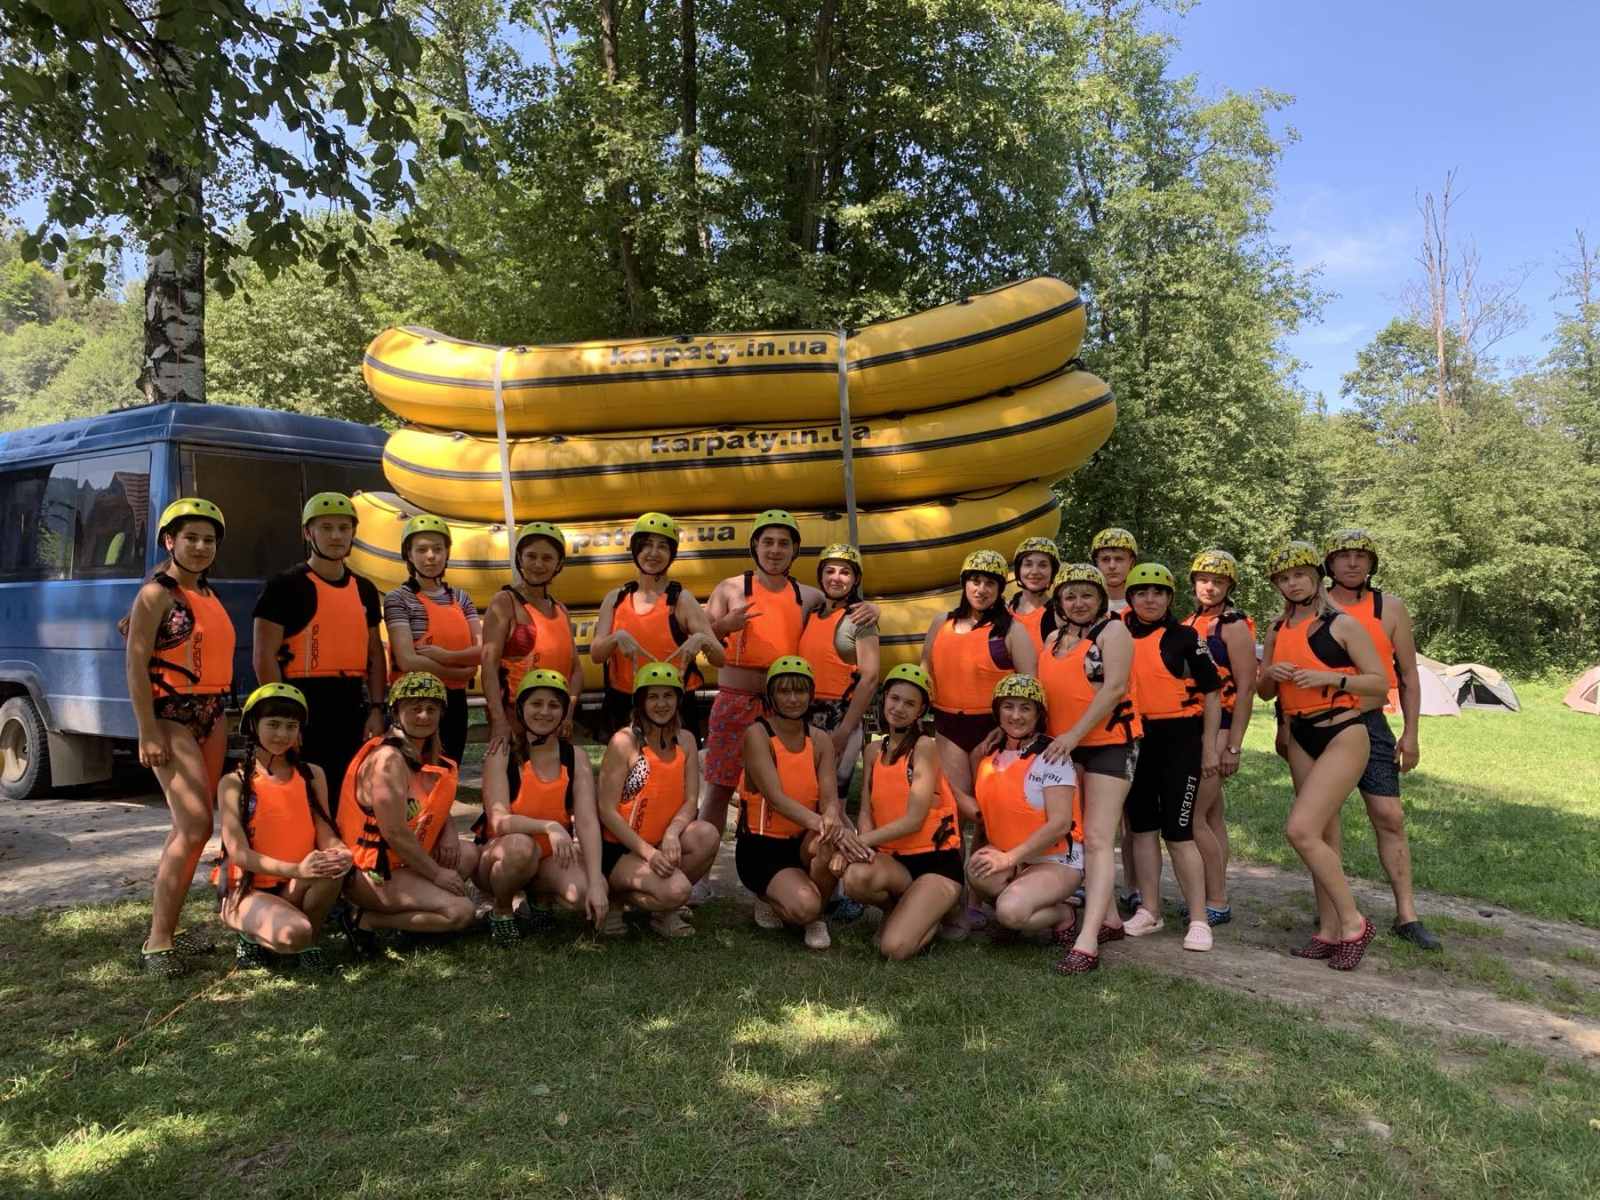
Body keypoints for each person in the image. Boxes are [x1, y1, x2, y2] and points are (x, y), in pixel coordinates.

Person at [701, 511, 876, 841]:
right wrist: (723, 626)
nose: (775, 550)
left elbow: (842, 606)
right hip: (735, 702)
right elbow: (701, 643)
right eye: (767, 542)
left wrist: (873, 609)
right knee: (720, 788)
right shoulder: (730, 588)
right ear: (755, 546)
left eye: (784, 543)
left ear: (794, 550)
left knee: (789, 787)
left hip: (784, 707)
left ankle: (784, 856)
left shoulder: (808, 596)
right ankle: (702, 860)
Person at [1257, 541, 1389, 971]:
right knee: (1323, 836)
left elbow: (1379, 683)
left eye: (1299, 574)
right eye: (1283, 578)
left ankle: (1354, 924)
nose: (1292, 583)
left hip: (1343, 731)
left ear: (1316, 576)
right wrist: (1269, 674)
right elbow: (1264, 692)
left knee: (1301, 829)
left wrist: (1329, 678)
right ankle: (1329, 931)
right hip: (1300, 735)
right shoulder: (1277, 629)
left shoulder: (1343, 624)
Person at [124, 498, 235, 976]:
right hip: (171, 713)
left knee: (191, 829)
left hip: (213, 712)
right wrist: (147, 730)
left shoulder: (208, 593)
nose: (200, 546)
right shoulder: (155, 595)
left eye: (208, 540)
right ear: (170, 541)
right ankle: (157, 943)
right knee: (194, 827)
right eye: (191, 538)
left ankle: (170, 929)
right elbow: (134, 663)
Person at [1323, 529, 1440, 951]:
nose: (1352, 563)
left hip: (1371, 721)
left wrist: (1411, 733)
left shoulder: (1390, 608)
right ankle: (1332, 912)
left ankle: (1407, 915)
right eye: (1343, 556)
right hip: (1323, 722)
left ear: (1372, 564)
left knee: (1389, 815)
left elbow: (1408, 674)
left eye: (1361, 556)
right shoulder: (1313, 604)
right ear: (1329, 564)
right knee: (1324, 820)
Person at [1035, 563, 1140, 975]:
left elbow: (1114, 689)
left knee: (1097, 839)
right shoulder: (1052, 639)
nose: (1078, 603)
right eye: (1070, 596)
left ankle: (1088, 940)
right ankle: (1109, 918)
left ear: (1100, 598)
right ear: (1059, 601)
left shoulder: (1113, 632)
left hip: (1108, 745)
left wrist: (1074, 735)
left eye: (1087, 595)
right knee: (1077, 835)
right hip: (1064, 747)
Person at [253, 492, 387, 814]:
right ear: (307, 532)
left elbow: (374, 655)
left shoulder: (365, 589)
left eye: (344, 528)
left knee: (346, 794)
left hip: (350, 701)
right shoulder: (284, 586)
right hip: (303, 700)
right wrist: (285, 718)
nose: (336, 536)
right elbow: (263, 657)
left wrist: (377, 707)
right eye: (326, 528)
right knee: (306, 793)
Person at [1119, 562, 1223, 951]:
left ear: (1169, 598)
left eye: (1159, 592)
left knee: (1179, 833)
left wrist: (1210, 747)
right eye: (1142, 592)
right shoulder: (1116, 635)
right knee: (1142, 830)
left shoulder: (1185, 637)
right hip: (1135, 741)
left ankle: (1199, 920)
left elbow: (1212, 693)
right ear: (1130, 597)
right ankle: (1150, 909)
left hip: (1179, 741)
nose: (1150, 599)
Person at [337, 672, 478, 953]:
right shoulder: (388, 759)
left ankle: (416, 919)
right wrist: (437, 874)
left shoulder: (428, 756)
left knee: (469, 854)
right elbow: (394, 832)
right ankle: (365, 919)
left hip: (406, 862)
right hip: (374, 872)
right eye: (414, 708)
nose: (424, 716)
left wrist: (449, 831)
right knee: (461, 912)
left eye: (431, 709)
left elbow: (434, 805)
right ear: (396, 712)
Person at [213, 683, 351, 971]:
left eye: (291, 726)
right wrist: (297, 870)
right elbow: (239, 854)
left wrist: (339, 852)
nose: (282, 734)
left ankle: (309, 942)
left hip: (295, 883)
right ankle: (251, 936)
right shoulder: (234, 782)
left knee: (332, 870)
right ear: (253, 725)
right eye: (273, 724)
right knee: (294, 933)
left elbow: (325, 831)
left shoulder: (313, 774)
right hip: (247, 889)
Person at [474, 669, 608, 946]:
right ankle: (501, 909)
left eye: (553, 705)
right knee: (522, 847)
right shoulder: (502, 753)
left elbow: (587, 821)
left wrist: (596, 882)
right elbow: (499, 821)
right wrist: (549, 826)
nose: (545, 712)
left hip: (549, 857)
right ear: (521, 709)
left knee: (586, 890)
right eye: (536, 703)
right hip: (502, 856)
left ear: (563, 712)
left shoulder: (575, 756)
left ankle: (539, 897)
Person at [839, 664, 964, 960]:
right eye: (894, 699)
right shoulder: (873, 750)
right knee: (855, 877)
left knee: (892, 949)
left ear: (921, 711)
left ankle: (932, 913)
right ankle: (900, 910)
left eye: (910, 703)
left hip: (935, 863)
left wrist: (858, 842)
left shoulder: (924, 746)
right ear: (884, 699)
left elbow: (914, 820)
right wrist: (860, 850)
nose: (899, 708)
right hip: (896, 862)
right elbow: (866, 811)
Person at [736, 657, 855, 950]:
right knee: (804, 905)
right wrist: (827, 826)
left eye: (800, 691)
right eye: (784, 691)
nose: (792, 699)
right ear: (771, 695)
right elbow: (776, 799)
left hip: (802, 841)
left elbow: (830, 800)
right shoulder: (757, 734)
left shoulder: (821, 740)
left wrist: (832, 820)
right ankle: (772, 899)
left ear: (810, 695)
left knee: (829, 841)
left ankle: (814, 916)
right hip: (762, 848)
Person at [595, 662, 721, 937]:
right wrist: (649, 854)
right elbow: (606, 810)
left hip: (661, 840)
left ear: (678, 699)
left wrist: (673, 833)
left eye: (668, 696)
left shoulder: (686, 740)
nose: (661, 704)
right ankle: (616, 898)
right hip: (620, 848)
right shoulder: (623, 742)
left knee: (707, 835)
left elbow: (690, 800)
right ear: (640, 702)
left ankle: (664, 911)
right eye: (653, 696)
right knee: (677, 890)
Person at [921, 548, 1037, 814]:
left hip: (993, 728)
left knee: (991, 808)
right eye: (975, 581)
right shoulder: (941, 623)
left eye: (990, 583)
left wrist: (1007, 727)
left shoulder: (1012, 630)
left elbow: (1031, 687)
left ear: (999, 589)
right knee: (954, 806)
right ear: (964, 584)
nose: (981, 589)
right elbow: (925, 671)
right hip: (948, 725)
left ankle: (991, 844)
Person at [968, 675, 1083, 942]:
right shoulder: (990, 755)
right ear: (998, 711)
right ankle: (1024, 899)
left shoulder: (1052, 755)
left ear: (1038, 714)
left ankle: (1063, 913)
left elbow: (1060, 824)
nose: (1016, 715)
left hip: (1056, 860)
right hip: (1014, 857)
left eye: (1025, 708)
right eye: (1008, 707)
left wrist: (1009, 859)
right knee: (976, 870)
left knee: (1009, 912)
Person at [590, 511, 724, 740]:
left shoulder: (682, 600)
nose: (653, 553)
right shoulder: (616, 599)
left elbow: (720, 658)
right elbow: (596, 655)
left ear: (672, 554)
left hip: (673, 704)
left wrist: (701, 640)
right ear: (636, 550)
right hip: (626, 702)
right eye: (646, 545)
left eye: (662, 546)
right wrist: (616, 638)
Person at [1180, 549, 1257, 927]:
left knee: (1193, 818)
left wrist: (1233, 745)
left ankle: (1216, 900)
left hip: (1220, 726)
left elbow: (1246, 688)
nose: (1209, 587)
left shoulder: (1234, 626)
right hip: (1193, 724)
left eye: (1218, 582)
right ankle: (1213, 891)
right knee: (1212, 817)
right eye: (1204, 580)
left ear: (1229, 586)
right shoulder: (1188, 622)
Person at [481, 520, 582, 773]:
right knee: (513, 786)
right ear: (520, 558)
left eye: (547, 558)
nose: (538, 564)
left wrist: (568, 714)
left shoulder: (561, 609)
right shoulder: (505, 602)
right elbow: (489, 666)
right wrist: (499, 720)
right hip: (516, 722)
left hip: (553, 720)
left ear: (558, 564)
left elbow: (576, 670)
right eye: (531, 556)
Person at [382, 513, 482, 766]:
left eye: (438, 549)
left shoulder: (461, 598)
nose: (431, 556)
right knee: (411, 771)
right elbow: (407, 660)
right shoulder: (398, 598)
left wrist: (444, 656)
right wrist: (460, 671)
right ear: (409, 554)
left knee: (449, 769)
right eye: (422, 550)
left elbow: (481, 651)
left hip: (454, 702)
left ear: (447, 553)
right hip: (415, 700)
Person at [795, 543, 880, 796]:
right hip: (803, 713)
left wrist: (844, 731)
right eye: (830, 571)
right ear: (820, 576)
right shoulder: (811, 613)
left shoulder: (861, 619)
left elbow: (870, 678)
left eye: (845, 572)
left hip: (840, 716)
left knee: (832, 797)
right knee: (803, 792)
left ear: (855, 579)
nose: (836, 578)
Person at [1006, 536, 1062, 657]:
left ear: (1053, 571)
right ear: (1019, 570)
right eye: (1028, 564)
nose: (1035, 571)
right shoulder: (1004, 610)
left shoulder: (1060, 615)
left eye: (1043, 565)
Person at [1089, 527, 1139, 615]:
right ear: (1096, 563)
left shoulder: (1145, 605)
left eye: (1119, 559)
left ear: (1131, 562)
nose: (1112, 566)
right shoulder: (1084, 605)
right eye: (1105, 559)